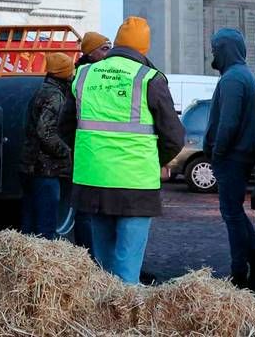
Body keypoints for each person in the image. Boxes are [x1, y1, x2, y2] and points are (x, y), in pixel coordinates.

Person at [71, 17, 185, 283]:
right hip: (136, 185)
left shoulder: (85, 74)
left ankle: (100, 318)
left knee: (103, 265)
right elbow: (174, 136)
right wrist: (156, 162)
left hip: (93, 181)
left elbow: (66, 126)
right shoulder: (149, 78)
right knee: (127, 267)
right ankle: (122, 320)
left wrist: (91, 154)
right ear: (143, 49)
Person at [205, 27, 255, 287]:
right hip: (239, 155)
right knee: (235, 212)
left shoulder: (232, 80)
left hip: (232, 158)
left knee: (232, 214)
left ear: (225, 50)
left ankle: (240, 269)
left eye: (216, 50)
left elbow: (228, 123)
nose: (212, 55)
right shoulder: (242, 76)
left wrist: (217, 153)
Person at [19, 52, 76, 239]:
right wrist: (66, 152)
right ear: (64, 73)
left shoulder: (42, 90)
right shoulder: (55, 96)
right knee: (46, 227)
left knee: (29, 224)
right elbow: (46, 132)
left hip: (31, 166)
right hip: (47, 169)